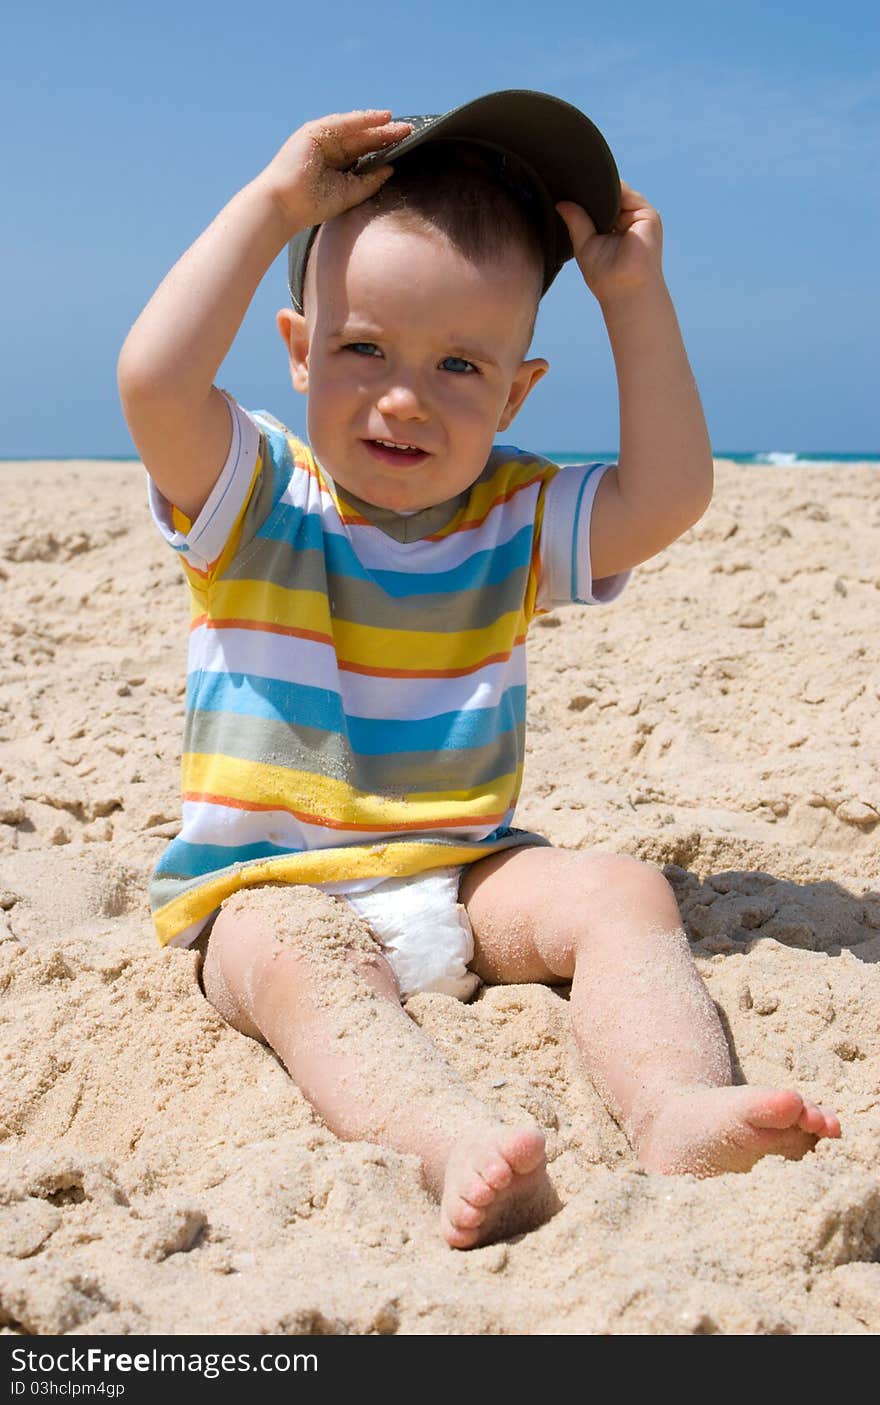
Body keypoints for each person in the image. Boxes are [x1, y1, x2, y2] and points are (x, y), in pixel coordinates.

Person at [117, 93, 840, 1250]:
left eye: (460, 365)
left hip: (463, 873)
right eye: (362, 349)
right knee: (299, 966)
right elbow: (155, 384)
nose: (405, 396)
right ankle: (443, 1130)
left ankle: (670, 1102)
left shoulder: (511, 513)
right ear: (299, 353)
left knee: (620, 893)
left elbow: (668, 496)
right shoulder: (258, 498)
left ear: (512, 393)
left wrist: (633, 298)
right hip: (268, 886)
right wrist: (270, 208)